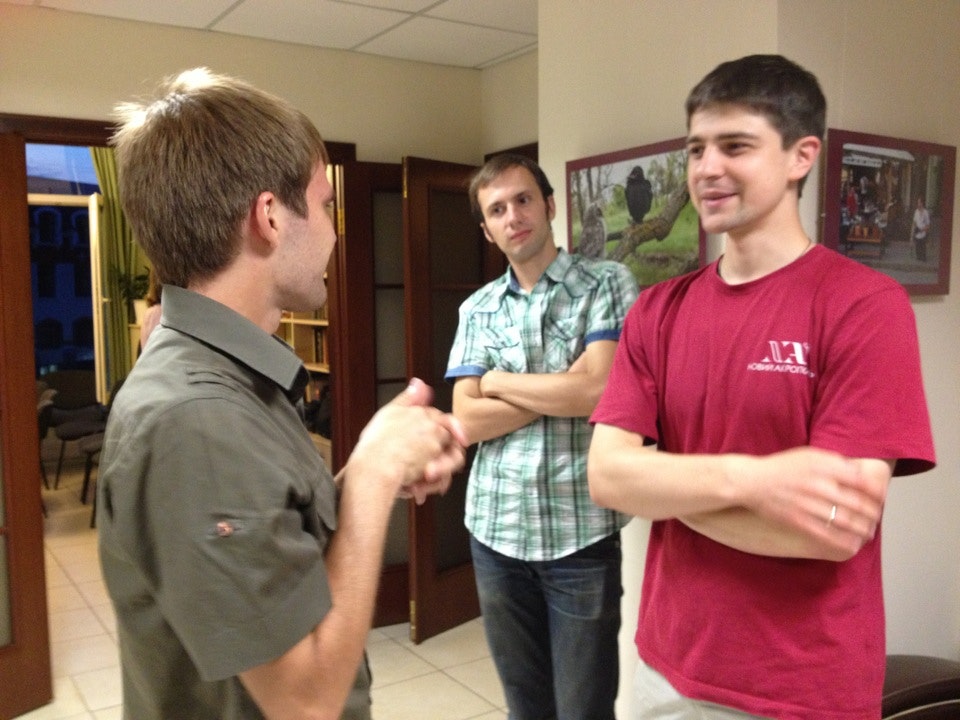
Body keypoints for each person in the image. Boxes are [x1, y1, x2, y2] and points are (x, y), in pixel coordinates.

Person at [97, 68, 466, 720]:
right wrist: (374, 475)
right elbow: (305, 701)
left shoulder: (228, 381)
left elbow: (272, 539)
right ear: (268, 217)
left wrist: (371, 472)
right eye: (324, 206)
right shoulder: (197, 419)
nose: (333, 232)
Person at [588, 54, 936, 720]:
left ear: (801, 156)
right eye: (696, 148)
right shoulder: (657, 310)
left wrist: (665, 485)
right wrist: (756, 481)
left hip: (803, 687)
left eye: (735, 146)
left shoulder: (864, 306)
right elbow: (607, 478)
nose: (706, 168)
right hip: (668, 668)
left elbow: (833, 527)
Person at [445, 153, 638, 720]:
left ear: (549, 205)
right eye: (497, 210)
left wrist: (498, 382)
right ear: (487, 229)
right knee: (525, 708)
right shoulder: (477, 308)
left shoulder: (606, 283)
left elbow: (599, 392)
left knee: (583, 709)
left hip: (580, 535)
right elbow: (466, 420)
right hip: (495, 532)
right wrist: (562, 386)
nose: (513, 216)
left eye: (523, 200)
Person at [911, 195, 931, 262]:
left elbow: (928, 225)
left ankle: (923, 258)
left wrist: (923, 230)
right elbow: (914, 223)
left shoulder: (926, 212)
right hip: (917, 234)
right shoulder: (916, 212)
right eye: (918, 203)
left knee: (923, 253)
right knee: (918, 253)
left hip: (923, 234)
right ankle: (919, 257)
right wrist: (912, 235)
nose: (918, 204)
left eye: (919, 202)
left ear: (922, 203)